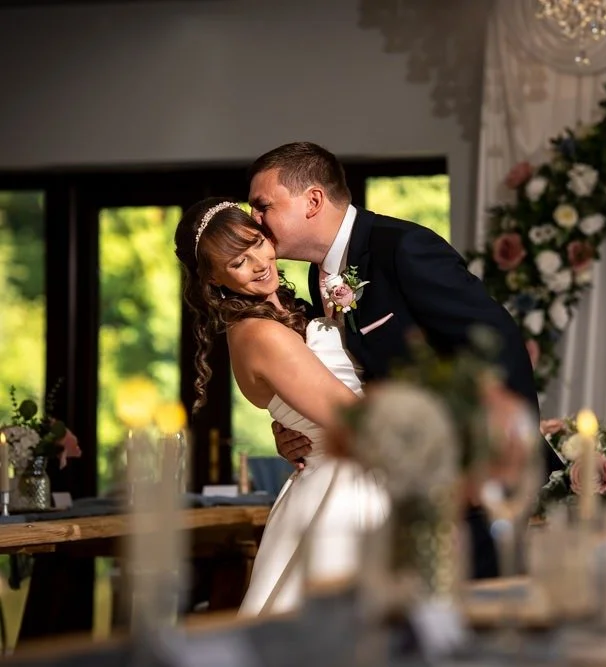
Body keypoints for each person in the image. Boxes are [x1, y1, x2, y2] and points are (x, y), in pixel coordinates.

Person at [248, 142, 560, 578]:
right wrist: (300, 429)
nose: (254, 222)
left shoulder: (402, 248)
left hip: (467, 482)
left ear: (313, 200)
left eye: (263, 206)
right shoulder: (315, 274)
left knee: (475, 624)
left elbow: (497, 346)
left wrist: (490, 467)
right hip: (400, 484)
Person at [174, 199, 387, 616]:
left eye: (257, 243)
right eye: (238, 261)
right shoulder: (258, 335)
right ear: (213, 279)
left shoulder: (291, 310)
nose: (258, 263)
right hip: (345, 488)